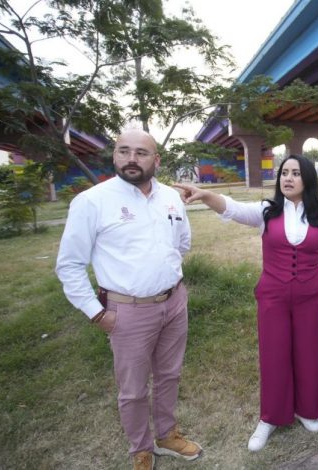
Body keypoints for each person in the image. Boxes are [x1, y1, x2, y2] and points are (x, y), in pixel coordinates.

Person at [173, 154, 318, 452]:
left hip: (311, 298)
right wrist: (206, 195)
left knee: (310, 353)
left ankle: (307, 409)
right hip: (273, 297)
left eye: (295, 173)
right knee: (274, 354)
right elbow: (233, 209)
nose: (288, 178)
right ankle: (271, 417)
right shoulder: (266, 210)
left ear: (308, 180)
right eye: (284, 173)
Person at [55, 129, 201, 470]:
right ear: (115, 156)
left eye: (141, 152)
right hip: (127, 312)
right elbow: (70, 265)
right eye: (124, 151)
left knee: (169, 375)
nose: (131, 159)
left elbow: (182, 244)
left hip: (174, 304)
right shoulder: (92, 201)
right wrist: (96, 313)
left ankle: (167, 434)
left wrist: (168, 283)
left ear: (156, 160)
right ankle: (141, 447)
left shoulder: (171, 197)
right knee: (133, 389)